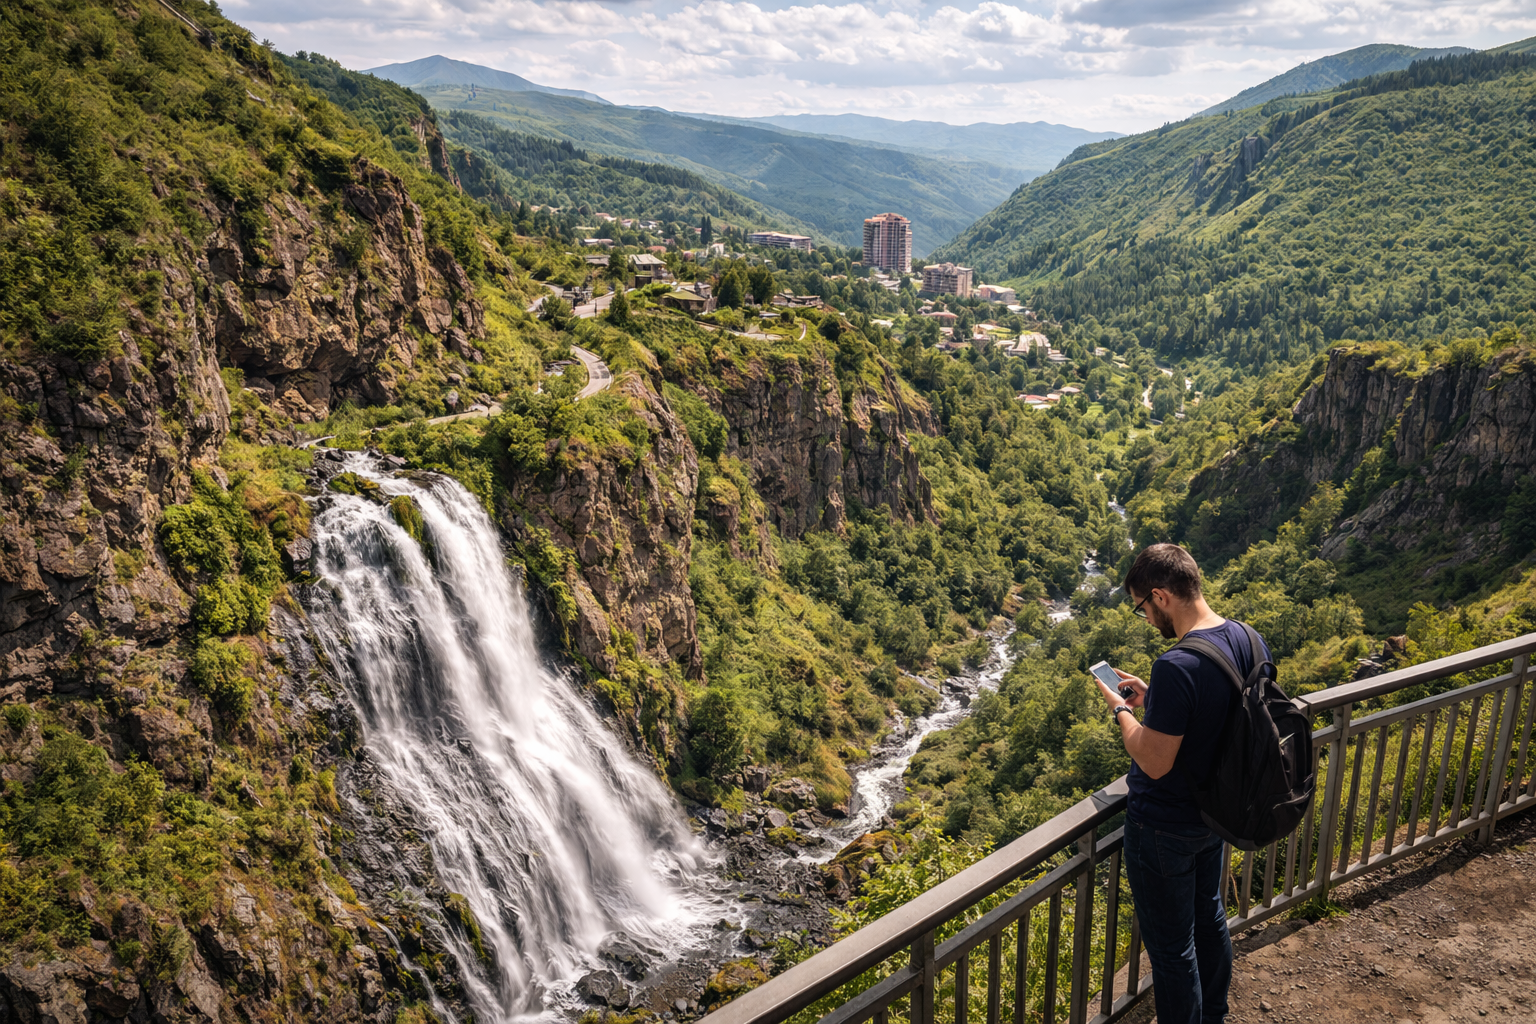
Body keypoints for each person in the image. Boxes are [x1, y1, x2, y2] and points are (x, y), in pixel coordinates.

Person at [1091, 543, 1273, 1024]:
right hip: (1214, 814)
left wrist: (1122, 710)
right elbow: (1218, 717)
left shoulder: (1176, 664)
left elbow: (1153, 760)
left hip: (1164, 826)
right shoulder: (1247, 638)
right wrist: (1158, 702)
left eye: (1143, 608)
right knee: (1210, 922)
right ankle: (1213, 1015)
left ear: (1160, 596)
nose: (1147, 618)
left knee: (1172, 951)